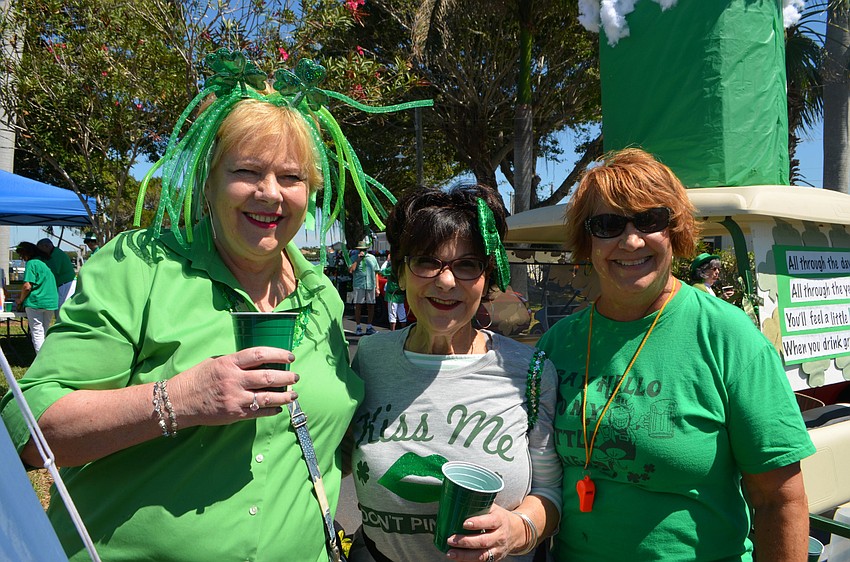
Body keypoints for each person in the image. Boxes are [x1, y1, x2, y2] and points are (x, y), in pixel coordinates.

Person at [0, 50, 423, 561]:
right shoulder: (140, 269)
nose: (270, 194)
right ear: (209, 179)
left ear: (310, 192)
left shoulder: (322, 296)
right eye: (247, 171)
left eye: (290, 178)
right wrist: (179, 400)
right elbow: (31, 429)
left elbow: (337, 440)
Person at [536, 148, 815, 561]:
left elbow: (780, 501)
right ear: (587, 240)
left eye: (650, 220)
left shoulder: (729, 337)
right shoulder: (558, 344)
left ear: (675, 230)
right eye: (607, 224)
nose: (630, 240)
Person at [349, 184, 562, 561]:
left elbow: (549, 493)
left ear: (487, 278)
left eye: (467, 265)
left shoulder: (529, 371)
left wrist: (518, 531)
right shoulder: (369, 358)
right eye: (427, 262)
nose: (446, 281)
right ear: (399, 272)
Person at [14, 242, 58, 354]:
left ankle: (41, 361)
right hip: (50, 302)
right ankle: (49, 356)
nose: (22, 258)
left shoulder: (31, 263)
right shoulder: (43, 264)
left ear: (26, 254)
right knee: (45, 331)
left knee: (37, 333)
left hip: (36, 302)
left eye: (21, 256)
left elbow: (27, 286)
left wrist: (21, 300)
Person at [36, 238, 77, 310]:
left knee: (61, 311)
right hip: (63, 284)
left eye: (40, 250)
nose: (39, 252)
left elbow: (51, 273)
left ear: (46, 246)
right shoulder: (54, 253)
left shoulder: (56, 255)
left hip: (65, 285)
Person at [349, 239, 379, 335]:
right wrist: (358, 260)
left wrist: (377, 287)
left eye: (364, 249)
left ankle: (369, 326)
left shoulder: (372, 258)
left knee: (371, 305)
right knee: (358, 305)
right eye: (360, 249)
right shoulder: (354, 258)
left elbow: (376, 273)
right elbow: (351, 270)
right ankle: (358, 327)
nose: (362, 251)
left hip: (370, 284)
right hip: (359, 285)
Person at [380, 253, 407, 331]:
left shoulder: (391, 269)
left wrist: (387, 261)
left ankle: (393, 332)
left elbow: (382, 271)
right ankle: (403, 331)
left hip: (392, 295)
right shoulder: (403, 269)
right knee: (402, 313)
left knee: (392, 314)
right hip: (400, 294)